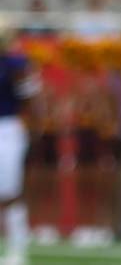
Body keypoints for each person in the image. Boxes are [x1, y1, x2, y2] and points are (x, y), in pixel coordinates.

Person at [0, 19, 35, 265]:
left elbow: (30, 97)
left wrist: (33, 126)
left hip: (7, 127)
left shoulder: (16, 64)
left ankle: (18, 247)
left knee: (9, 190)